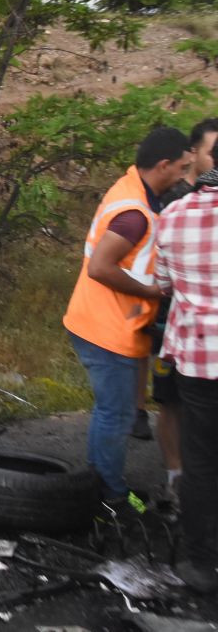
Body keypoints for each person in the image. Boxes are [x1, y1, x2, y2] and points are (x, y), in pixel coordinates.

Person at [62, 127, 192, 514]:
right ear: (164, 165)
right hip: (106, 327)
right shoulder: (135, 213)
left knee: (111, 411)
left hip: (104, 322)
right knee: (115, 414)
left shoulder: (133, 189)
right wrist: (154, 292)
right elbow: (101, 267)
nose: (187, 176)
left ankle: (98, 484)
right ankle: (110, 496)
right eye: (183, 168)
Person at [139, 117, 218, 509]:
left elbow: (163, 277)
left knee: (201, 444)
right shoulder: (172, 201)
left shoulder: (177, 210)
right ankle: (175, 476)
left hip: (191, 342)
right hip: (172, 329)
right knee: (171, 405)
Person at [155, 134, 218, 592]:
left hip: (198, 359)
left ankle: (201, 563)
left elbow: (163, 282)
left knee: (201, 461)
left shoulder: (173, 214)